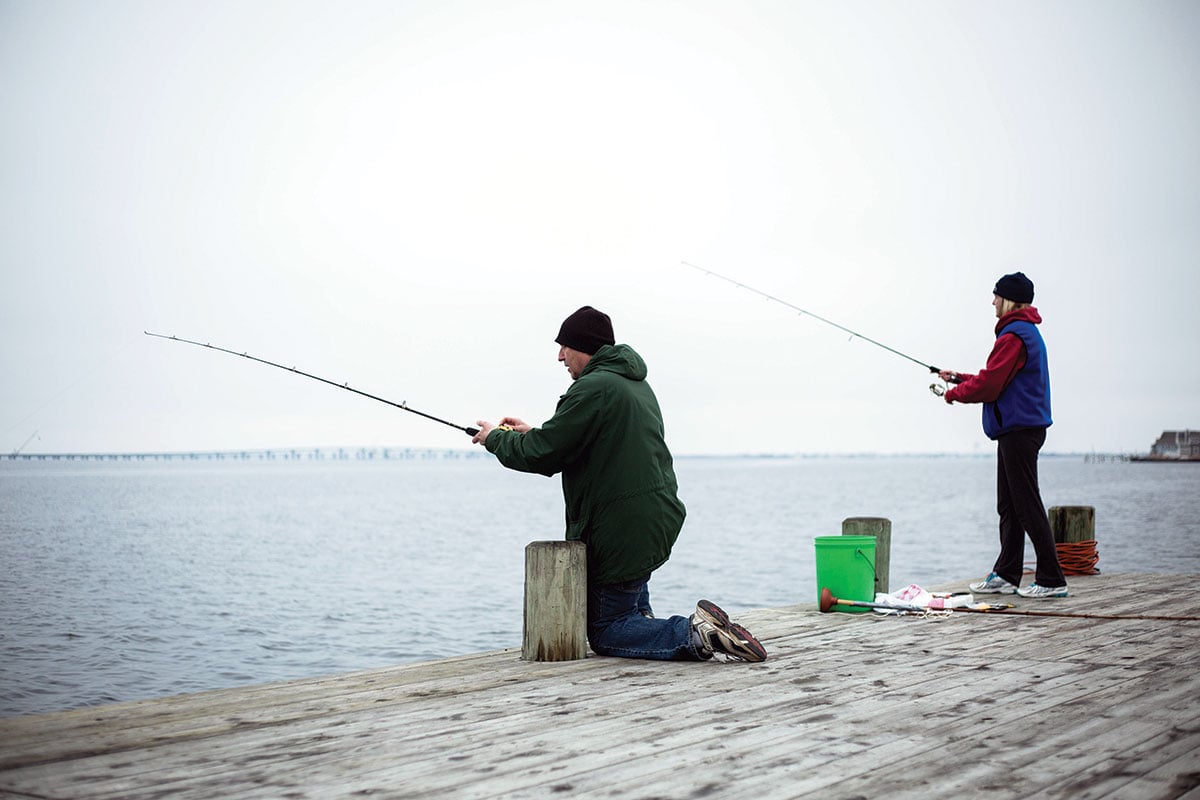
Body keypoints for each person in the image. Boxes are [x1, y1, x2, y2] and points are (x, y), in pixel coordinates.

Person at [472, 305, 767, 662]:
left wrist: (494, 439)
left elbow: (543, 454)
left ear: (585, 346)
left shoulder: (593, 388)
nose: (560, 355)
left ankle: (697, 634)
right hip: (650, 518)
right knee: (632, 616)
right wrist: (534, 432)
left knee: (608, 629)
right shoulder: (632, 384)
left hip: (621, 527)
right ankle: (690, 633)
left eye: (565, 346)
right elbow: (577, 440)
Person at [939, 272, 1068, 599]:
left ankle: (1051, 579)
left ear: (1009, 300)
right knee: (1009, 505)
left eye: (996, 296)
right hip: (1017, 430)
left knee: (1026, 503)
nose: (992, 301)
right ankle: (1007, 574)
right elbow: (995, 377)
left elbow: (990, 385)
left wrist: (954, 394)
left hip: (1020, 431)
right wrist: (957, 378)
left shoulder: (1014, 336)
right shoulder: (1021, 334)